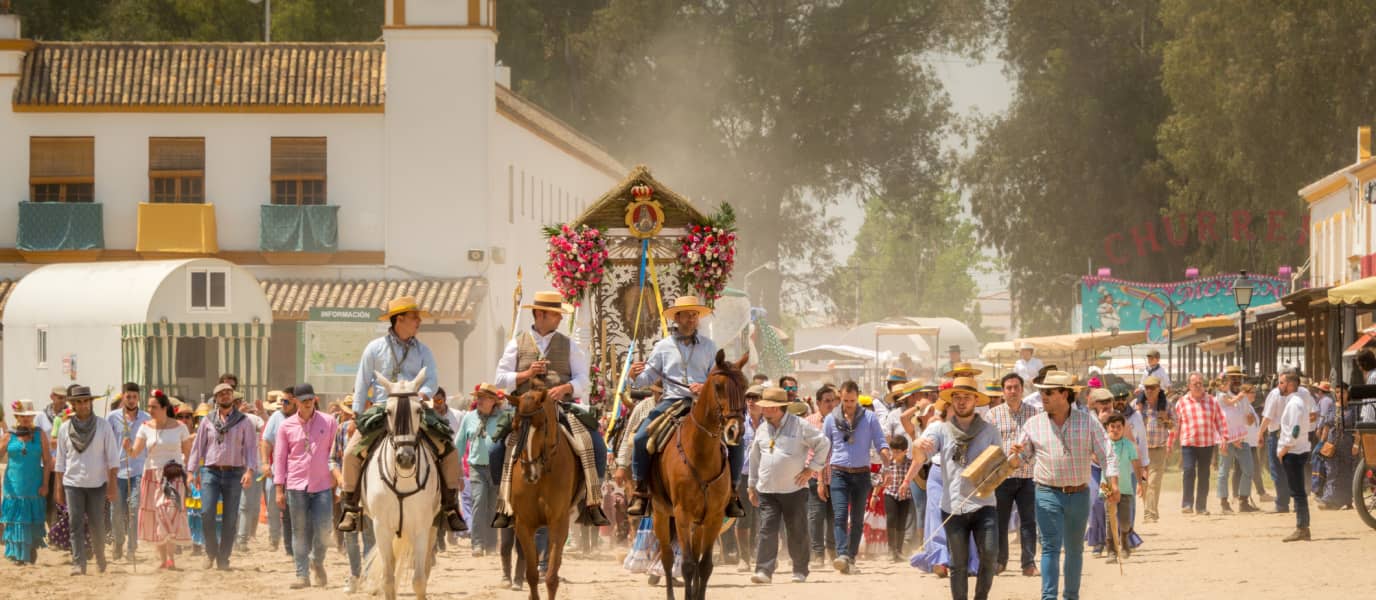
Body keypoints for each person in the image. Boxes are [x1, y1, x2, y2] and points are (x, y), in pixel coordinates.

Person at [339, 295, 466, 533]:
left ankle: (450, 507)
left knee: (449, 450)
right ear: (399, 319)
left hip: (416, 407)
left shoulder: (424, 351)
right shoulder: (374, 348)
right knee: (350, 454)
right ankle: (350, 508)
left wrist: (422, 395)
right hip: (382, 409)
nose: (419, 321)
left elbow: (431, 380)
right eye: (414, 317)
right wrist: (356, 416)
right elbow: (362, 382)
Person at [491, 291, 609, 528]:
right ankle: (504, 501)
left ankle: (592, 501)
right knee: (495, 449)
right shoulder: (516, 343)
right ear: (540, 314)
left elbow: (583, 380)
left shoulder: (569, 345)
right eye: (556, 314)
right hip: (526, 410)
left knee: (596, 444)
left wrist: (566, 387)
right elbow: (500, 379)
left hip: (559, 408)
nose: (560, 318)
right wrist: (526, 374)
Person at [626, 295, 745, 518]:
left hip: (704, 404)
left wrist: (704, 386)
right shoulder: (663, 347)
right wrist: (633, 376)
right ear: (677, 318)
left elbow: (716, 377)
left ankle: (733, 493)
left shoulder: (709, 346)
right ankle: (640, 492)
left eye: (695, 315)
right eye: (687, 315)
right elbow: (647, 378)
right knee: (641, 437)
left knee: (737, 439)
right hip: (672, 401)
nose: (692, 319)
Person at [1013, 371, 1119, 600]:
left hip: (1079, 494)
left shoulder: (1087, 422)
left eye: (1048, 392)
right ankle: (1048, 597)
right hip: (1046, 493)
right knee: (1050, 547)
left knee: (1074, 549)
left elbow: (1107, 454)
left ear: (1064, 394)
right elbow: (1020, 459)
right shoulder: (1033, 424)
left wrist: (1113, 484)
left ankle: (1071, 596)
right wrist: (1014, 456)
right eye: (1042, 392)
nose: (1043, 396)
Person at [911, 377, 1001, 600]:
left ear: (976, 401)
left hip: (984, 504)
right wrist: (917, 445)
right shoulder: (940, 429)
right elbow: (922, 454)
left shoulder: (990, 431)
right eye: (957, 397)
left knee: (990, 554)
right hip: (952, 506)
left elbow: (1000, 466)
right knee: (957, 563)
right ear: (951, 401)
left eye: (967, 397)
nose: (961, 401)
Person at [746, 387, 829, 584]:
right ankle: (764, 570)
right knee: (767, 529)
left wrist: (811, 469)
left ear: (777, 408)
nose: (763, 410)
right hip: (767, 489)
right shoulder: (762, 429)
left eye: (767, 407)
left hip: (794, 489)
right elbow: (754, 458)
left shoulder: (800, 425)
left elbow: (823, 443)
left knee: (797, 531)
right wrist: (751, 485)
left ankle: (800, 570)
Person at [186, 382, 260, 571]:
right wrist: (191, 471)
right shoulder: (207, 421)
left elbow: (251, 448)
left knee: (230, 517)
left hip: (234, 473)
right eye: (221, 393)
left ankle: (224, 558)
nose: (225, 396)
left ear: (232, 397)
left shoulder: (244, 421)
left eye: (228, 393)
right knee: (206, 512)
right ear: (216, 399)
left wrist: (250, 471)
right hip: (210, 471)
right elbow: (197, 447)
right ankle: (211, 552)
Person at [821, 380, 891, 575]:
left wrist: (887, 463)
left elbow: (880, 442)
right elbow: (823, 450)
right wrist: (820, 479)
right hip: (838, 472)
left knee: (858, 519)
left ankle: (851, 558)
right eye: (845, 400)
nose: (849, 404)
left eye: (852, 400)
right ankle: (842, 555)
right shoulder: (830, 419)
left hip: (861, 474)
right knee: (840, 515)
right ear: (840, 397)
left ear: (858, 397)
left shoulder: (869, 418)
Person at [273, 383, 338, 588]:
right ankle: (302, 575)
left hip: (323, 484)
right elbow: (280, 458)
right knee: (299, 531)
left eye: (311, 399)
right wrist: (278, 489)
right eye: (303, 400)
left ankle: (316, 560)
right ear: (295, 402)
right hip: (295, 485)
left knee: (325, 528)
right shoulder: (286, 426)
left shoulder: (329, 422)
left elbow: (335, 453)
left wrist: (337, 480)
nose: (308, 403)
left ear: (315, 399)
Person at [53, 385, 121, 576]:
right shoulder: (65, 428)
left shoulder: (103, 426)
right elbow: (60, 461)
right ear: (73, 405)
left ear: (91, 403)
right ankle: (78, 563)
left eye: (86, 401)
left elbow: (113, 458)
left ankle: (100, 557)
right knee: (74, 524)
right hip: (72, 484)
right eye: (79, 402)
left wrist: (112, 485)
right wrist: (58, 488)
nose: (83, 405)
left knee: (97, 524)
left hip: (97, 484)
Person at [129, 390, 192, 570]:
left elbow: (188, 452)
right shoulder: (145, 427)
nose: (150, 410)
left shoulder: (180, 427)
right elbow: (135, 453)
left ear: (165, 408)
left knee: (169, 510)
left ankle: (171, 557)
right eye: (149, 407)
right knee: (156, 515)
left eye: (154, 407)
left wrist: (189, 473)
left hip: (173, 474)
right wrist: (127, 448)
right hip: (151, 474)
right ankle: (164, 559)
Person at [984, 372, 1039, 577]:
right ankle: (1000, 561)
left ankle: (1028, 563)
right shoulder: (992, 415)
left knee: (1028, 521)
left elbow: (1038, 444)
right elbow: (988, 446)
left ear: (1022, 389)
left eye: (1016, 387)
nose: (1013, 391)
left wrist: (1023, 458)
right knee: (1000, 521)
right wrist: (1005, 459)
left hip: (1028, 476)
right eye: (1009, 388)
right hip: (1002, 476)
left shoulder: (1034, 413)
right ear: (1003, 391)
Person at [453, 383, 507, 557]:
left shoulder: (503, 418)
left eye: (483, 398)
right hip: (476, 467)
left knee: (492, 507)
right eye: (478, 397)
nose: (479, 401)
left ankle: (491, 545)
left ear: (493, 401)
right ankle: (477, 543)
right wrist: (457, 472)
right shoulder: (469, 418)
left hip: (496, 468)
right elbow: (459, 445)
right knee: (478, 502)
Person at [1169, 372, 1229, 515]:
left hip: (1207, 443)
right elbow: (1175, 425)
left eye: (1200, 383)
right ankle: (1187, 504)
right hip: (1188, 443)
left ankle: (1201, 507)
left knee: (1204, 475)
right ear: (1189, 385)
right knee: (1189, 471)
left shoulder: (1212, 401)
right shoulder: (1181, 402)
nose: (1198, 386)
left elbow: (1221, 420)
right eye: (1194, 383)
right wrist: (1170, 442)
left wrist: (1224, 438)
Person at [2, 399, 52, 565]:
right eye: (22, 416)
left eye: (29, 416)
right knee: (16, 518)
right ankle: (17, 554)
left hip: (34, 482)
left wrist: (45, 484)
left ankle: (29, 549)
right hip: (13, 484)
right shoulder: (9, 435)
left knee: (31, 517)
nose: (26, 419)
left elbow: (47, 461)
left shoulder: (40, 434)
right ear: (17, 416)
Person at [108, 382, 150, 562]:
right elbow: (107, 443)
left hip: (138, 470)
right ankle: (118, 541)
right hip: (118, 471)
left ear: (138, 397)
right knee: (116, 511)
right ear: (123, 396)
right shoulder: (112, 417)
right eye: (128, 396)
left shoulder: (146, 418)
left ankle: (132, 548)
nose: (131, 400)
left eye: (134, 397)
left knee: (134, 510)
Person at [1214, 368, 1259, 513]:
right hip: (1226, 439)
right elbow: (1218, 420)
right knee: (1224, 471)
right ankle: (1224, 502)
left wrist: (1250, 419)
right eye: (1233, 378)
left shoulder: (1243, 398)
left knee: (1249, 469)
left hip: (1241, 438)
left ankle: (1243, 501)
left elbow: (1248, 419)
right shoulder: (1221, 398)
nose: (1236, 381)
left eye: (1238, 378)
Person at [1275, 373, 1313, 542]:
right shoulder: (1295, 402)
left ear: (1290, 385)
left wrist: (1284, 449)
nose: (1279, 385)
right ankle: (1302, 527)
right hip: (1295, 450)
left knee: (1298, 492)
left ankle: (1302, 528)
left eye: (1282, 382)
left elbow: (1295, 430)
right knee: (1298, 491)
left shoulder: (1295, 404)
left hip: (1294, 452)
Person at [804, 385, 838, 566]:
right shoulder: (808, 422)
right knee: (816, 515)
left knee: (835, 516)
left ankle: (832, 550)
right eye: (827, 401)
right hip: (814, 476)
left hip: (836, 475)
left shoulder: (841, 420)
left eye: (833, 400)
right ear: (818, 403)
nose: (831, 404)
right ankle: (818, 553)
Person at [1101, 413, 1142, 560]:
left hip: (1125, 488)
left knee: (1125, 521)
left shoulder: (1129, 445)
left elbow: (1136, 465)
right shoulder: (1102, 444)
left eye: (1119, 427)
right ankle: (1111, 550)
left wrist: (1140, 483)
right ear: (1107, 428)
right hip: (1107, 487)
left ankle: (1124, 542)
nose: (1115, 430)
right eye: (1112, 427)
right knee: (1110, 518)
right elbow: (1093, 456)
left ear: (1124, 428)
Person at [261, 387, 296, 556]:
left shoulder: (303, 417)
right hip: (276, 470)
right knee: (272, 502)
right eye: (282, 401)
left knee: (294, 509)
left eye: (287, 401)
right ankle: (274, 538)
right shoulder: (276, 417)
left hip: (297, 472)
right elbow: (266, 441)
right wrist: (265, 463)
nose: (283, 404)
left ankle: (293, 542)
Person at [1133, 376, 1172, 522]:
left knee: (1154, 482)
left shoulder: (1167, 404)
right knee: (1144, 481)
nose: (1149, 391)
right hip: (1141, 450)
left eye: (1152, 388)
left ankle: (1150, 513)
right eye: (1147, 388)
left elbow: (1175, 425)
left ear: (1158, 389)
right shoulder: (1136, 405)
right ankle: (1149, 510)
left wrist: (1166, 420)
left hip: (1158, 449)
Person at [1316, 383, 1358, 510]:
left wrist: (1356, 444)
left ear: (1348, 393)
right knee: (1331, 471)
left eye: (1342, 392)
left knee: (1346, 472)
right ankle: (1328, 499)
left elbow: (1358, 428)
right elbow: (1327, 426)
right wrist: (1321, 443)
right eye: (1337, 392)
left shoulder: (1354, 408)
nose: (1339, 395)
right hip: (1332, 443)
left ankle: (1346, 500)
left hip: (1347, 444)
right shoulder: (1332, 407)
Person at [882, 435, 913, 563]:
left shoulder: (910, 463)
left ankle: (899, 550)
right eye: (893, 451)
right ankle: (891, 550)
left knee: (902, 521)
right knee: (891, 519)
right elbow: (880, 478)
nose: (894, 454)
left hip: (905, 496)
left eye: (898, 452)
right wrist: (874, 495)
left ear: (905, 451)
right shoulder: (888, 463)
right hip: (890, 493)